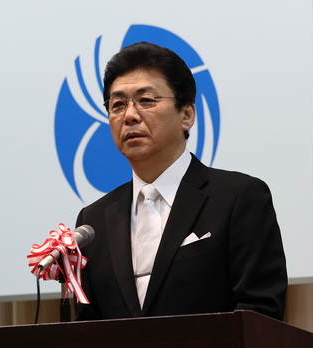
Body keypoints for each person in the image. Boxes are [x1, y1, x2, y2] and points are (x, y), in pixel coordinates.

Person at [74, 42, 287, 321]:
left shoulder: (238, 198)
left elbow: (259, 312)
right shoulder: (92, 222)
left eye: (146, 100)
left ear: (186, 115)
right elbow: (87, 328)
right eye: (118, 105)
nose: (130, 115)